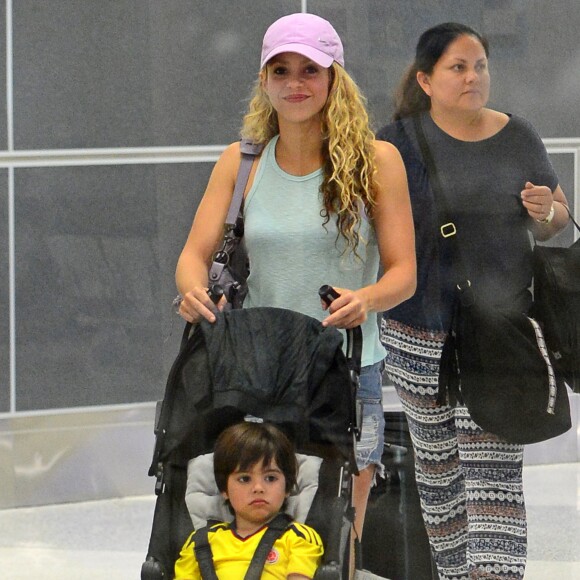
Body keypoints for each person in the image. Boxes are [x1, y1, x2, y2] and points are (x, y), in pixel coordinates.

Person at [175, 13, 416, 577]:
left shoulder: (376, 163)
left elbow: (404, 271)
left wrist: (368, 298)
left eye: (310, 69)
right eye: (280, 70)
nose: (295, 82)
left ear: (334, 78)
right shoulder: (243, 161)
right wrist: (192, 292)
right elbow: (193, 255)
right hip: (258, 368)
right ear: (264, 81)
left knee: (337, 521)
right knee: (258, 512)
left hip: (347, 366)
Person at [376, 22, 571, 580]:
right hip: (418, 330)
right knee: (440, 483)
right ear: (426, 80)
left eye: (480, 65)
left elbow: (556, 220)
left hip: (498, 329)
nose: (473, 77)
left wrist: (544, 211)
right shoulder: (395, 143)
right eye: (458, 68)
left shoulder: (518, 135)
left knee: (493, 480)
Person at [174, 421, 324, 579]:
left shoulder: (298, 537)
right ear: (224, 490)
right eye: (245, 479)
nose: (258, 488)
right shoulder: (201, 542)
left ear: (287, 488)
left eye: (270, 478)